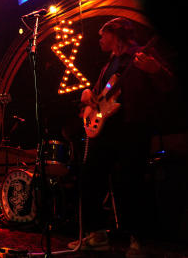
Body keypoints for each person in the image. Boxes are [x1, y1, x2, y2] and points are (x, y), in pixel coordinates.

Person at [67, 18, 174, 257]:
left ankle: (139, 240)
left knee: (130, 182)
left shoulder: (142, 55)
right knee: (91, 179)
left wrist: (155, 70)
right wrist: (88, 95)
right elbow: (99, 97)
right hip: (107, 130)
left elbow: (169, 84)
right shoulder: (109, 64)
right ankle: (96, 235)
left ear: (115, 34)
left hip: (132, 127)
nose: (99, 40)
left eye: (102, 35)